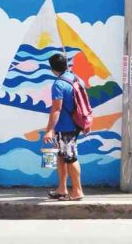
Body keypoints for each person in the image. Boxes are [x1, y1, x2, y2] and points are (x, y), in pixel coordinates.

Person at [44, 53, 85, 201]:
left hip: (65, 127)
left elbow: (56, 109)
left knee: (70, 158)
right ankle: (62, 189)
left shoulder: (58, 84)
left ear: (53, 69)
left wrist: (49, 129)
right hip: (74, 125)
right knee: (62, 156)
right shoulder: (77, 79)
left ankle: (77, 191)